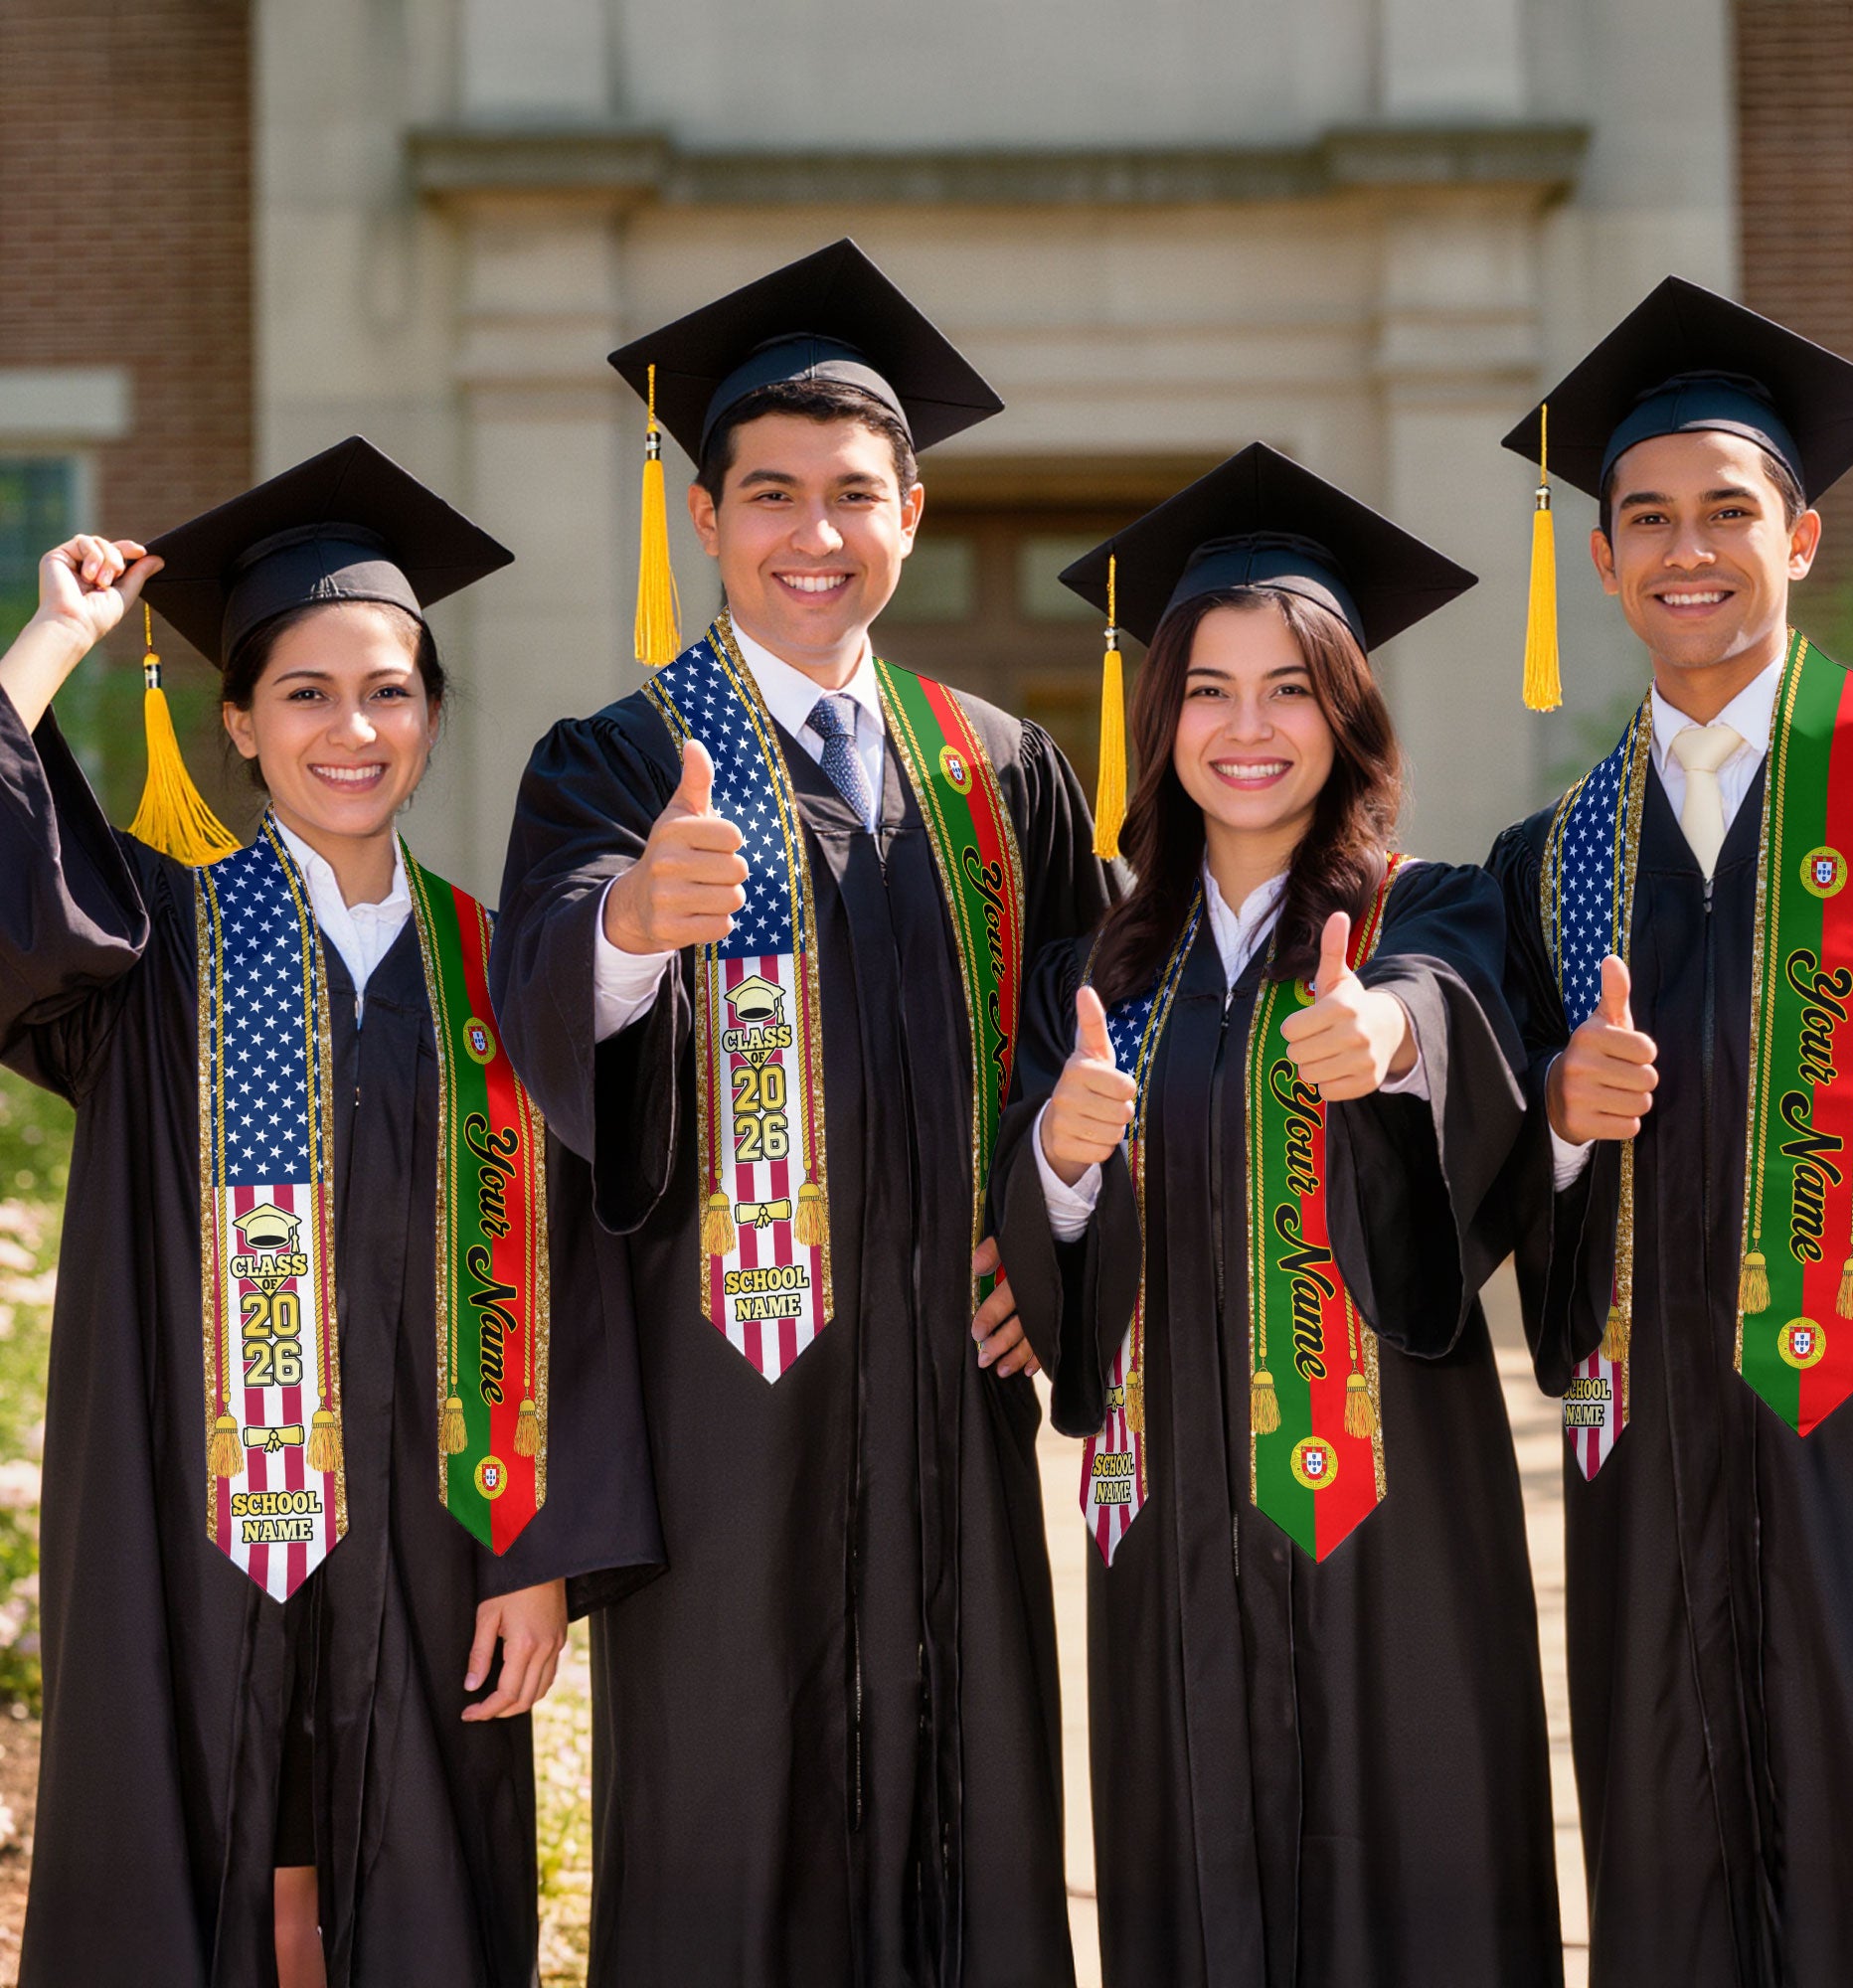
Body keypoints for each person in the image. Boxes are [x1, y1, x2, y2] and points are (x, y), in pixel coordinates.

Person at [491, 240, 1114, 1987]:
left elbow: (1094, 1035)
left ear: (912, 512)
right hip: (725, 1418)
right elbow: (544, 997)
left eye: (853, 494)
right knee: (731, 1826)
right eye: (770, 495)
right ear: (705, 518)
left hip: (951, 1408)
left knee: (968, 1813)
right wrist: (630, 926)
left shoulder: (998, 769)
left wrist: (1049, 1234)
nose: (813, 533)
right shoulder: (617, 761)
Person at [0, 437, 660, 1988]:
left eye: (389, 692)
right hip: (187, 1525)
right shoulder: (151, 943)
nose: (351, 729)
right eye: (304, 693)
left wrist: (539, 1551)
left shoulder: (505, 967)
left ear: (431, 714)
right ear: (238, 721)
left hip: (437, 1539)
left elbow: (579, 1276)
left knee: (417, 1883)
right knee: (199, 1856)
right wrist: (54, 640)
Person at [991, 443, 1562, 1986]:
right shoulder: (1098, 969)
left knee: (1414, 1882)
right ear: (1160, 718)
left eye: (1291, 689)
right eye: (1209, 690)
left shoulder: (1427, 907)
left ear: (1348, 712)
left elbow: (1451, 1016)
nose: (1248, 729)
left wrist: (1390, 1039)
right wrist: (1059, 1157)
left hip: (1391, 1513)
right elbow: (1042, 1240)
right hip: (1168, 1519)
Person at [1488, 277, 1853, 1987]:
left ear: (1803, 538)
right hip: (1652, 1471)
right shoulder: (1555, 857)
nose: (1685, 549)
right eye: (1646, 518)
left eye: (1726, 512)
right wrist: (1558, 1124)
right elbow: (1496, 1175)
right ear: (1603, 558)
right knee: (1675, 1880)